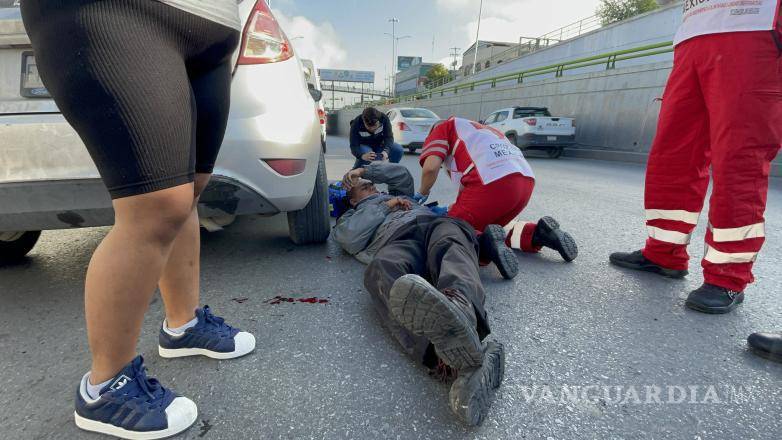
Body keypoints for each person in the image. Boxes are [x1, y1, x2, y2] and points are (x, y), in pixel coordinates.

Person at [20, 1, 255, 438]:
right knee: (155, 205)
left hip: (213, 30)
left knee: (188, 190)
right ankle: (104, 389)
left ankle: (183, 326)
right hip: (117, 12)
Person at [610, 1, 781, 314]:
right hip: (694, 33)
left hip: (754, 25)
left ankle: (728, 276)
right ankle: (664, 253)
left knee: (739, 160)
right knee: (673, 157)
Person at [332, 162, 511, 426]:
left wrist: (364, 172)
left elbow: (402, 174)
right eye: (364, 187)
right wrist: (386, 206)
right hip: (397, 240)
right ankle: (445, 354)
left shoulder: (398, 193)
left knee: (451, 244)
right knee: (379, 270)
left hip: (436, 223)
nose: (372, 187)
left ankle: (460, 307)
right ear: (353, 199)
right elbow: (349, 238)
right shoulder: (352, 215)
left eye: (372, 184)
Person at [416, 117, 578, 278]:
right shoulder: (482, 131)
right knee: (494, 231)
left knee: (449, 230)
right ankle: (539, 233)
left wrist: (421, 194)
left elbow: (430, 168)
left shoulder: (443, 127)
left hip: (491, 183)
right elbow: (467, 191)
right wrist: (455, 209)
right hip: (524, 183)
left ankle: (484, 245)